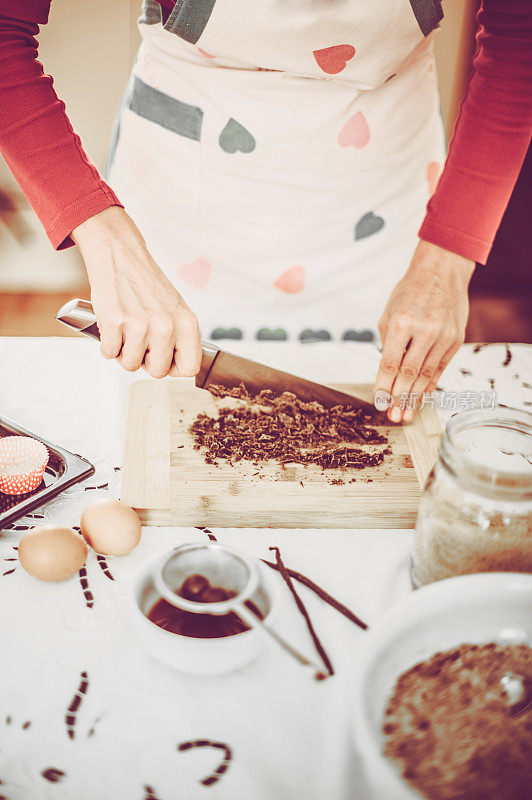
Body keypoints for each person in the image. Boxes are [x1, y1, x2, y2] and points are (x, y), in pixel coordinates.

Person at [0, 1, 530, 422]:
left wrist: (447, 260)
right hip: (187, 184)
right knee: (159, 405)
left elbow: (519, 42)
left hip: (381, 193)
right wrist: (106, 240)